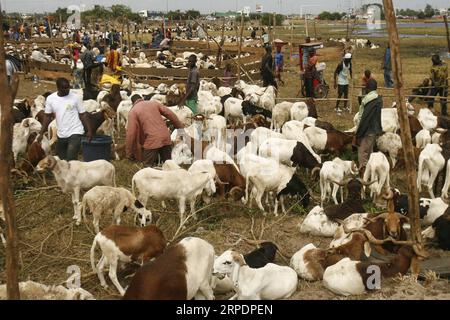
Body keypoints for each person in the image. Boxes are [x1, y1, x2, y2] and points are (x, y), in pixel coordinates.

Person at [37, 78, 93, 161]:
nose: (67, 90)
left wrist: (89, 130)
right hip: (61, 133)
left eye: (68, 87)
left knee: (71, 157)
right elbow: (47, 116)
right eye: (65, 88)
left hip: (75, 131)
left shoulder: (76, 97)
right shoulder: (51, 99)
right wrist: (41, 133)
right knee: (62, 160)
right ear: (58, 88)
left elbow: (83, 114)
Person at [126, 95, 185, 167]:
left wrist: (129, 153)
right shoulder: (153, 103)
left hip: (152, 140)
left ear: (133, 103)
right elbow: (171, 114)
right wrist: (181, 130)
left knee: (147, 168)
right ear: (142, 99)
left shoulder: (133, 111)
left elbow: (131, 134)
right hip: (165, 137)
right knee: (169, 165)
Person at [355, 79, 382, 175]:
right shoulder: (378, 98)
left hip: (367, 130)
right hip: (373, 130)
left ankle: (363, 172)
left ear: (368, 88)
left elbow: (365, 118)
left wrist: (359, 133)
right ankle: (371, 171)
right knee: (370, 151)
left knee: (362, 152)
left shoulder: (369, 100)